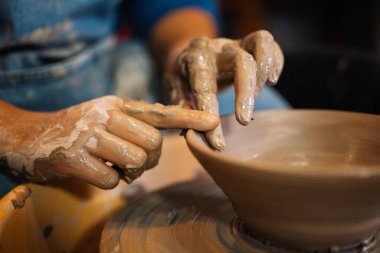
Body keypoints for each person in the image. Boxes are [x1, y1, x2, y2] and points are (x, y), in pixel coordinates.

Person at [0, 0, 286, 194]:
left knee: (266, 121)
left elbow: (166, 4)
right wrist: (16, 131)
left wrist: (186, 51)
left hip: (99, 59)